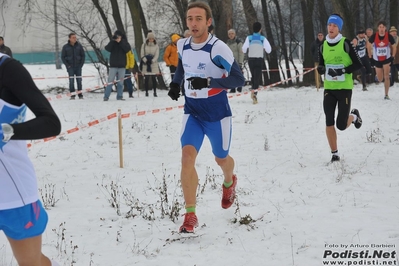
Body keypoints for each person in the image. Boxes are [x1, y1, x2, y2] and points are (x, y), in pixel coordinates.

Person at [167, 1, 245, 234]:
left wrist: (209, 82)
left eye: (198, 19)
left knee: (221, 159)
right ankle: (190, 214)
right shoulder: (182, 45)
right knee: (186, 157)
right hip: (193, 112)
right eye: (190, 18)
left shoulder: (218, 49)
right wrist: (175, 83)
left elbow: (238, 79)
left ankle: (230, 181)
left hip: (217, 114)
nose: (193, 23)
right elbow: (182, 65)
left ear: (208, 22)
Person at [0, 52, 61, 265]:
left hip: (11, 193)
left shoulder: (8, 69)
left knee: (31, 263)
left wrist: (5, 131)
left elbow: (51, 123)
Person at [316, 14, 364, 163]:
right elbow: (321, 65)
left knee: (341, 125)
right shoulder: (322, 45)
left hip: (344, 88)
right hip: (329, 89)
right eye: (329, 25)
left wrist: (343, 71)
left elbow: (358, 65)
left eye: (334, 26)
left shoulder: (346, 43)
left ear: (339, 28)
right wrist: (322, 70)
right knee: (328, 121)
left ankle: (354, 116)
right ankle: (334, 154)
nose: (331, 28)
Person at [242, 22, 272, 104]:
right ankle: (254, 93)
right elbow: (269, 50)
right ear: (260, 29)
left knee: (254, 76)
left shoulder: (249, 38)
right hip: (259, 59)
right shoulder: (263, 39)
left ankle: (253, 91)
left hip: (251, 59)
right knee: (257, 78)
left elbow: (244, 49)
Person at [367, 21, 396, 99]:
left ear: (385, 28)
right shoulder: (374, 36)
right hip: (377, 59)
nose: (382, 29)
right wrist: (370, 56)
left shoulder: (389, 36)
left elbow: (394, 46)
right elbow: (368, 44)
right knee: (380, 79)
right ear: (378, 28)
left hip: (386, 58)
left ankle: (386, 94)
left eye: (383, 27)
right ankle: (379, 75)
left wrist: (393, 56)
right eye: (380, 27)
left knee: (386, 77)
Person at [104, 30, 131, 101]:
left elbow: (127, 49)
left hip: (122, 65)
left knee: (120, 82)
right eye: (116, 36)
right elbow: (107, 48)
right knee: (110, 81)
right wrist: (113, 41)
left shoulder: (124, 42)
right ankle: (106, 96)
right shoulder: (113, 42)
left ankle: (119, 96)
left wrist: (120, 42)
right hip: (113, 65)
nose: (118, 38)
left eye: (119, 36)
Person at [61, 33, 85, 99]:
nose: (75, 39)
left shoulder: (79, 46)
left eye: (75, 37)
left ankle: (80, 94)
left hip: (78, 66)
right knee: (71, 81)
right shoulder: (65, 47)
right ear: (69, 38)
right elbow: (63, 57)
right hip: (70, 67)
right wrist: (67, 65)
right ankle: (72, 94)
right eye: (73, 37)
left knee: (79, 80)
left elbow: (83, 55)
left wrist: (81, 65)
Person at [140, 32, 160, 97]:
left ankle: (155, 92)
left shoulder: (156, 45)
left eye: (152, 38)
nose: (151, 40)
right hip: (146, 63)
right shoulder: (144, 45)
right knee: (147, 78)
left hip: (153, 64)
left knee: (154, 78)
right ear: (148, 39)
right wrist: (145, 60)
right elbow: (142, 54)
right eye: (150, 38)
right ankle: (146, 92)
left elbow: (157, 55)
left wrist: (152, 60)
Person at [226, 29, 244, 93]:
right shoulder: (227, 43)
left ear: (235, 34)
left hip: (237, 61)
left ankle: (240, 87)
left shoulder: (238, 42)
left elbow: (241, 53)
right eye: (229, 34)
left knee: (239, 74)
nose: (231, 35)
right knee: (231, 75)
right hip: (230, 62)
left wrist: (240, 62)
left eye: (232, 34)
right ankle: (232, 88)